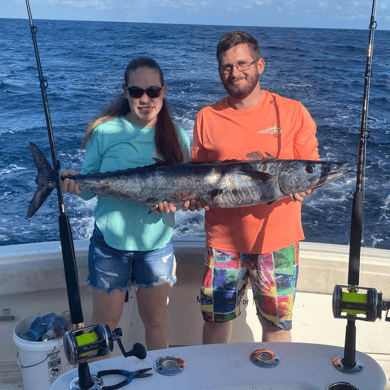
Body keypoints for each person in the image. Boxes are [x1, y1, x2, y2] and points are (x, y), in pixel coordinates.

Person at [187, 31, 319, 344]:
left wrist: (305, 188)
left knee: (276, 326)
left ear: (260, 64)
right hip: (223, 243)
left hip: (279, 242)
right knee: (216, 320)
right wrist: (192, 199)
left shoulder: (293, 111)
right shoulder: (206, 117)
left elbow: (309, 169)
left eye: (242, 63)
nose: (235, 72)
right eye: (226, 67)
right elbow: (197, 178)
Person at [62, 57, 190, 352]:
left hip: (156, 246)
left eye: (153, 91)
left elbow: (184, 193)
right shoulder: (104, 132)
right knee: (103, 329)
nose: (145, 99)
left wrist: (174, 203)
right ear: (125, 91)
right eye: (136, 92)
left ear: (164, 91)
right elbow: (88, 186)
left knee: (157, 324)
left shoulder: (177, 136)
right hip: (110, 244)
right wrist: (73, 183)